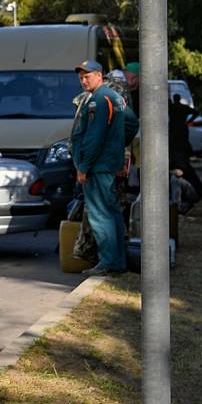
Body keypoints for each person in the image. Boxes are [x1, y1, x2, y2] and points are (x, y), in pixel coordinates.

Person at [71, 59, 127, 276]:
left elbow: (94, 137)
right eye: (81, 77)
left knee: (99, 215)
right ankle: (117, 261)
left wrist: (83, 166)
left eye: (87, 76)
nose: (83, 81)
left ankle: (108, 262)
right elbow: (129, 124)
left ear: (99, 76)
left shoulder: (99, 101)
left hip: (97, 166)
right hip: (106, 164)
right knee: (112, 213)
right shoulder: (113, 98)